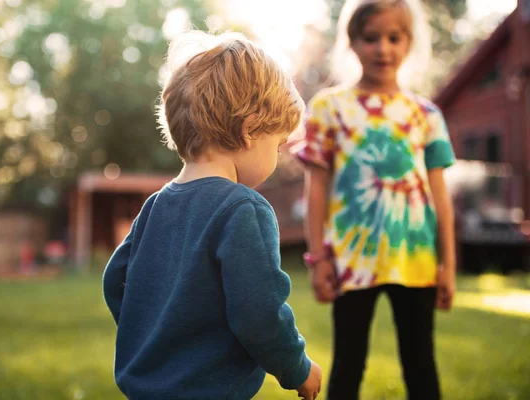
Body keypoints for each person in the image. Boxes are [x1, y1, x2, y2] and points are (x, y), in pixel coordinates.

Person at [103, 30, 322, 400]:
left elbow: (115, 281)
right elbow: (259, 312)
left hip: (144, 387)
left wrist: (151, 340)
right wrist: (297, 367)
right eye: (278, 143)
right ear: (251, 129)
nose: (277, 157)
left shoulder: (155, 205)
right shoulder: (243, 209)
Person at [291, 0, 456, 398]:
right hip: (352, 257)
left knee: (421, 364)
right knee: (348, 364)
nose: (383, 48)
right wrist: (318, 259)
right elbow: (316, 189)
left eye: (394, 38)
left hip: (413, 259)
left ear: (409, 43)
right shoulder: (329, 108)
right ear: (352, 42)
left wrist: (447, 263)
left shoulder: (426, 114)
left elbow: (439, 196)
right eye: (371, 38)